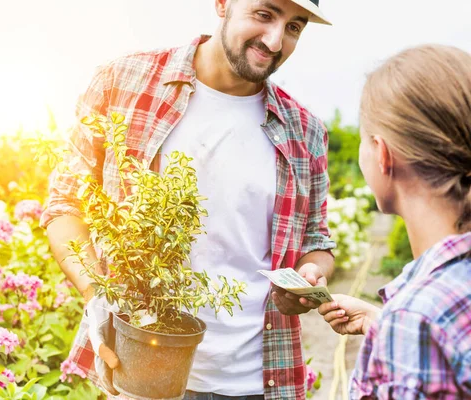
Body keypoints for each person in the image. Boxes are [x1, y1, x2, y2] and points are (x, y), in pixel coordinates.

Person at [41, 0, 336, 398]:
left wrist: (310, 274)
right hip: (141, 370)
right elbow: (65, 203)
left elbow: (317, 241)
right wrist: (97, 295)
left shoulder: (306, 131)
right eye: (265, 15)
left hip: (257, 380)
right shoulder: (123, 82)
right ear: (222, 4)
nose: (275, 40)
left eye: (294, 27)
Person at [318, 44, 471, 399]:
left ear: (383, 154)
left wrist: (400, 329)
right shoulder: (423, 314)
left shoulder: (417, 319)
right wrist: (382, 323)